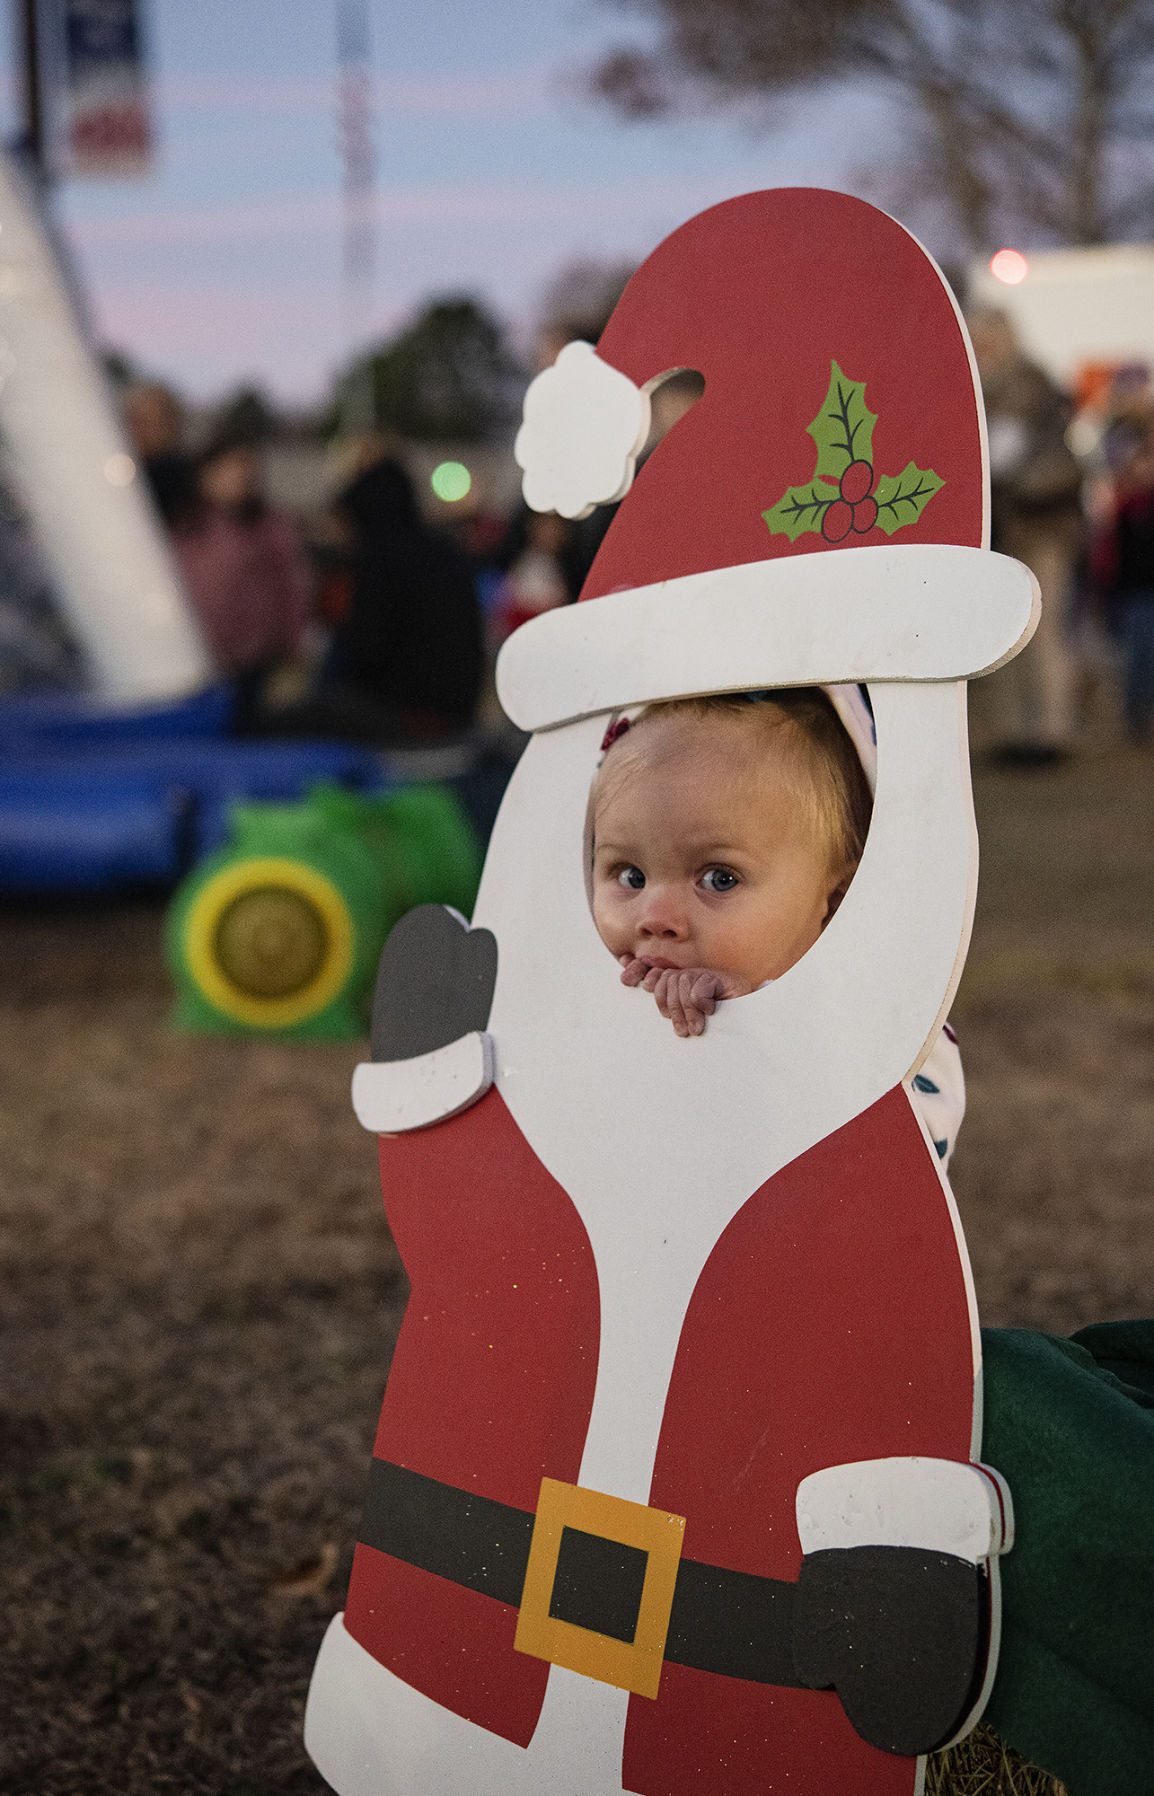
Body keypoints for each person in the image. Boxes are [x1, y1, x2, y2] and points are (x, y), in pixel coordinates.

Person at [591, 684, 964, 1152]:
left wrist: (758, 1026)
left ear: (834, 903)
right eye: (630, 874)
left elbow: (921, 1139)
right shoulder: (579, 995)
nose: (656, 917)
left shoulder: (875, 1014)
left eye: (719, 879)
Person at [967, 309, 1084, 764]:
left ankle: (1049, 733)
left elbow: (1002, 459)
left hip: (1037, 527)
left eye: (984, 338)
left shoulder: (1018, 386)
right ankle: (1016, 733)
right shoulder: (1011, 384)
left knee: (1041, 629)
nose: (980, 347)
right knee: (1007, 632)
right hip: (1013, 527)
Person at [172, 431, 311, 727]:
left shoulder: (268, 528)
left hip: (254, 661)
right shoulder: (186, 526)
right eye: (227, 469)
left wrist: (291, 646)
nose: (237, 478)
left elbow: (293, 587)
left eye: (244, 469)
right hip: (198, 657)